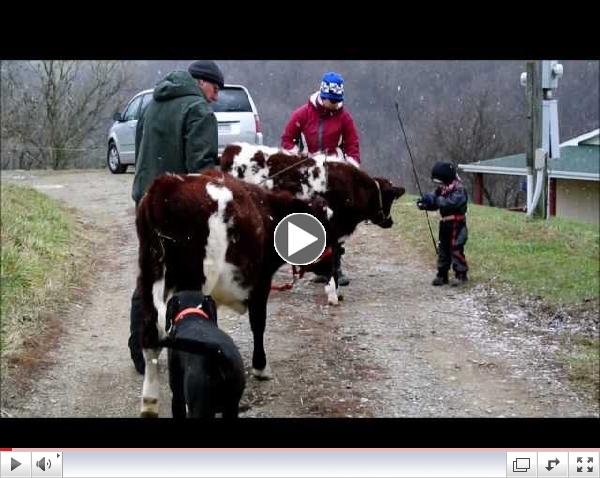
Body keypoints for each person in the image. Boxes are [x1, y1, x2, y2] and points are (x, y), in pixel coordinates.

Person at [129, 60, 224, 374]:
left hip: (147, 200)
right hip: (180, 206)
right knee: (190, 278)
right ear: (200, 82)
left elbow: (142, 149)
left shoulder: (153, 104)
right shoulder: (198, 111)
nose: (216, 96)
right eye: (215, 87)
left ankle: (142, 348)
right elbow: (203, 167)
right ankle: (195, 352)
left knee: (151, 273)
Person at [281, 71, 361, 285]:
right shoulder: (302, 114)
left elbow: (353, 144)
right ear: (322, 95)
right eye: (331, 101)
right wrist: (298, 157)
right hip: (308, 174)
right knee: (311, 217)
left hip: (334, 175)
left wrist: (353, 167)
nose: (335, 105)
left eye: (338, 101)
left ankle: (336, 266)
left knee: (334, 220)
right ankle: (319, 266)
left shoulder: (344, 117)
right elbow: (287, 139)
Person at [416, 162, 469, 287]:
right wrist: (425, 203)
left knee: (455, 248)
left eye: (440, 181)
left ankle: (461, 274)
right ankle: (442, 274)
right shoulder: (442, 190)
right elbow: (435, 201)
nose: (439, 185)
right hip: (445, 223)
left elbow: (450, 203)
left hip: (457, 223)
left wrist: (435, 200)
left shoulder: (459, 189)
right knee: (443, 249)